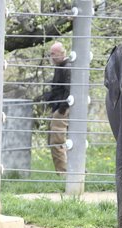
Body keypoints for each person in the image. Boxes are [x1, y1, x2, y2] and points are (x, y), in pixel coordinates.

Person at [47, 41, 71, 175]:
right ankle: (70, 170)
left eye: (53, 54)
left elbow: (69, 90)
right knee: (63, 140)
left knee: (57, 141)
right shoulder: (61, 66)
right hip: (61, 107)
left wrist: (61, 109)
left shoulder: (67, 67)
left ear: (62, 53)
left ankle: (63, 173)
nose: (51, 56)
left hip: (63, 109)